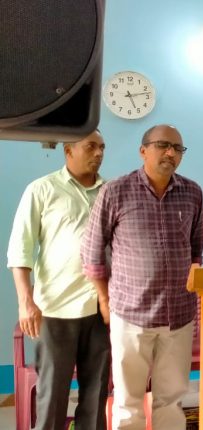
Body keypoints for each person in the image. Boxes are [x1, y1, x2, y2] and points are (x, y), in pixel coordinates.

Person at [81, 125, 203, 429]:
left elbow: (196, 250)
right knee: (128, 401)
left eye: (177, 148)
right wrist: (104, 299)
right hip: (131, 314)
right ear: (143, 151)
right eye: (163, 145)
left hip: (178, 316)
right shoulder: (116, 191)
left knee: (171, 400)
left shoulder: (192, 192)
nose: (171, 153)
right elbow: (91, 250)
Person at [7, 130, 109, 430]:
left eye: (102, 147)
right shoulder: (41, 189)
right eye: (91, 147)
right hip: (55, 310)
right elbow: (20, 249)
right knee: (52, 395)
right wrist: (25, 302)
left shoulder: (111, 191)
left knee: (96, 395)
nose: (99, 153)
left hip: (101, 309)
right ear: (68, 151)